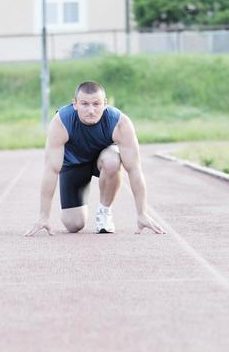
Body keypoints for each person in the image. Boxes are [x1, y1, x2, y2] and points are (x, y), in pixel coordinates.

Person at [25, 80, 165, 237]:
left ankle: (104, 213)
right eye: (84, 104)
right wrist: (44, 216)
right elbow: (51, 169)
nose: (91, 110)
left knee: (112, 160)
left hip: (103, 160)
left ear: (105, 104)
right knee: (74, 225)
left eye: (96, 104)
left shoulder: (120, 123)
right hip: (73, 166)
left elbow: (134, 169)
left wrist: (142, 213)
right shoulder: (61, 122)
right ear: (75, 104)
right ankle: (75, 206)